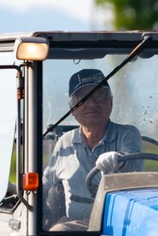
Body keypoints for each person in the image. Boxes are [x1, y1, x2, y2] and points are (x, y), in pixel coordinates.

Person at [43, 68, 141, 227]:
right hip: (79, 227)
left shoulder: (127, 134)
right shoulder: (65, 143)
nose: (92, 103)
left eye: (100, 96)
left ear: (111, 102)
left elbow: (132, 162)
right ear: (72, 108)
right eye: (83, 98)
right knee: (59, 230)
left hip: (120, 225)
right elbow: (45, 184)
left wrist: (118, 159)